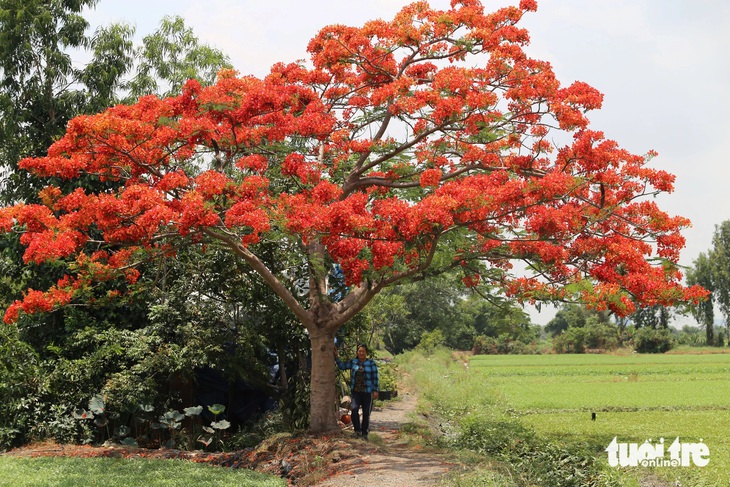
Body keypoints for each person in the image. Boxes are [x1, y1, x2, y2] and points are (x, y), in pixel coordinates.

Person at [334, 343, 379, 440]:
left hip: (367, 392)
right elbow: (342, 366)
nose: (361, 353)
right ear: (357, 352)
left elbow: (375, 378)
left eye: (363, 351)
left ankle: (364, 433)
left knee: (366, 413)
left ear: (366, 353)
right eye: (359, 351)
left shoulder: (371, 363)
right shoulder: (354, 362)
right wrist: (337, 357)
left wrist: (375, 390)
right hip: (356, 392)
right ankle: (357, 431)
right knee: (354, 410)